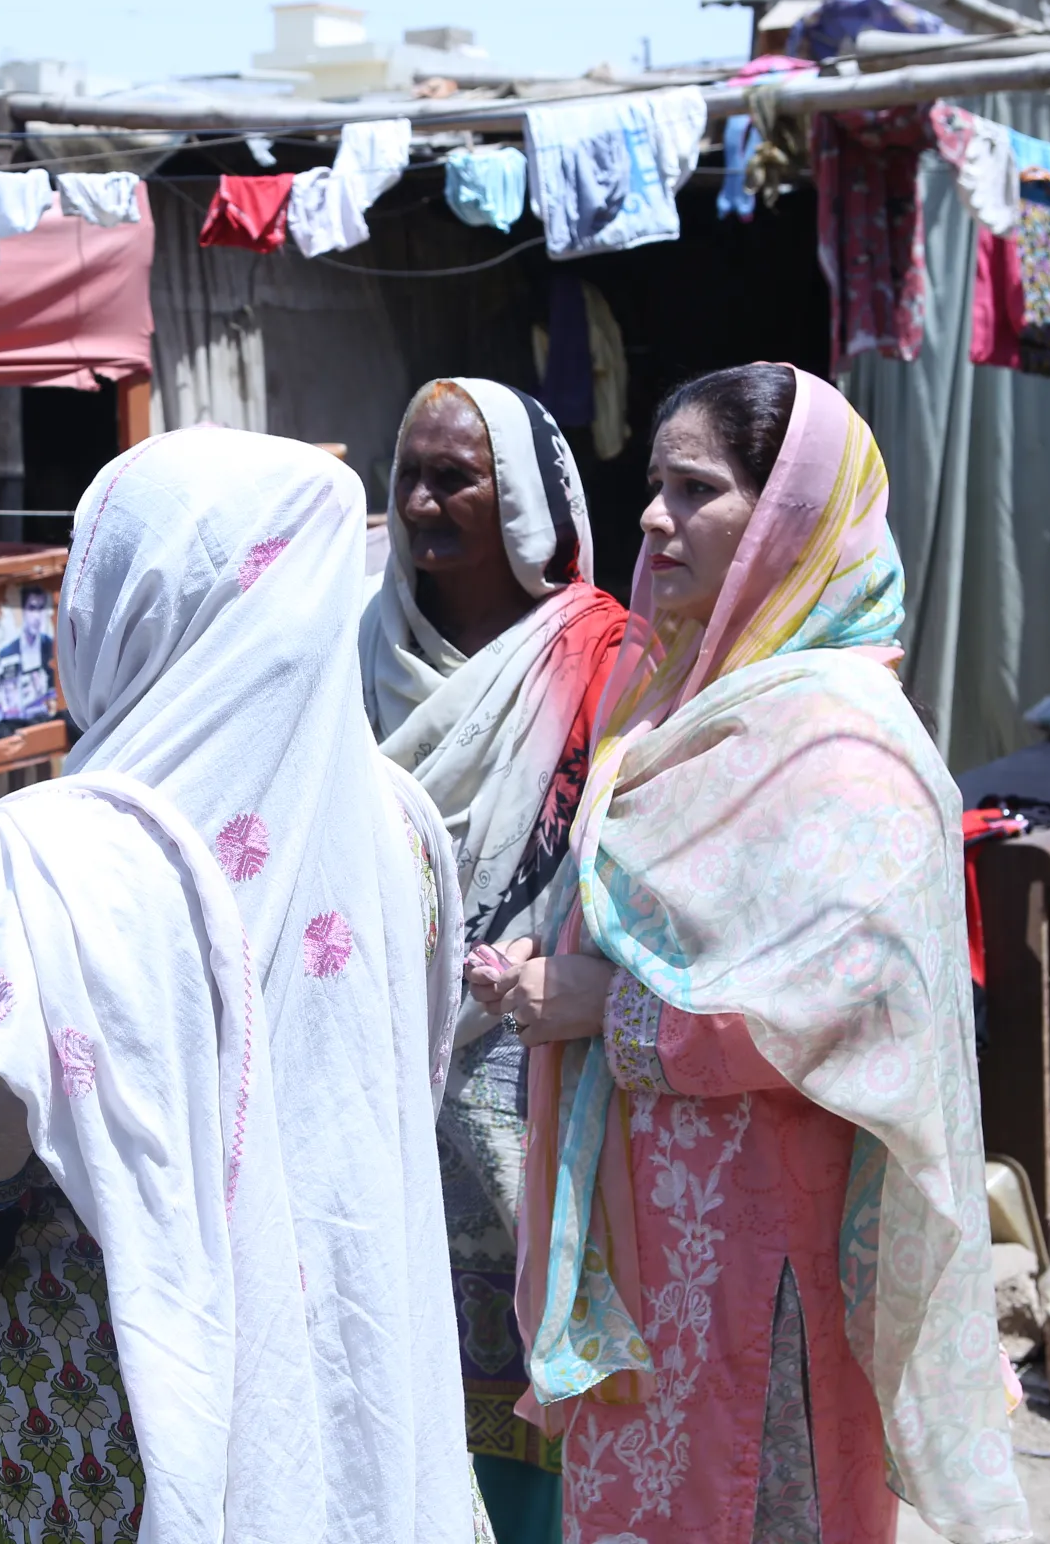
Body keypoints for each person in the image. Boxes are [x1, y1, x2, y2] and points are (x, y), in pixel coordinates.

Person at [0, 428, 475, 1544]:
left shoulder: (37, 874)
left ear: (122, 599)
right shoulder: (404, 829)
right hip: (339, 1448)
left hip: (88, 1470)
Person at [471, 365, 1027, 1544]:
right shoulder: (686, 705)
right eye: (651, 489)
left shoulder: (844, 742)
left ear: (789, 520)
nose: (655, 519)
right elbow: (667, 926)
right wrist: (555, 959)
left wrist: (602, 1008)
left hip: (764, 1251)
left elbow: (849, 1000)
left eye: (695, 490)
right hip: (652, 1249)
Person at [360, 378, 626, 1542]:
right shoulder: (355, 651)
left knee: (537, 1406)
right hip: (373, 1068)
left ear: (520, 501)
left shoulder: (609, 657)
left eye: (455, 476)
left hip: (537, 1074)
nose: (421, 500)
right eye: (409, 472)